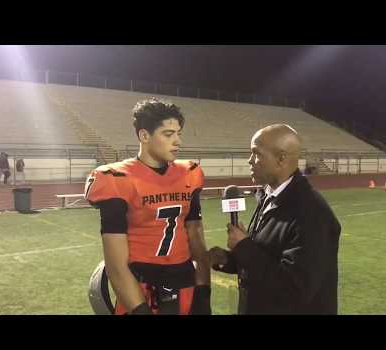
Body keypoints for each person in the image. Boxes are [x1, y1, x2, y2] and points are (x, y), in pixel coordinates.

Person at [85, 98, 211, 315]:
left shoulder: (189, 173)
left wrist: (203, 292)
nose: (177, 141)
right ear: (144, 136)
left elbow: (197, 243)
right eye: (168, 134)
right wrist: (140, 310)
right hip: (141, 289)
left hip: (185, 284)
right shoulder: (117, 179)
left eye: (178, 133)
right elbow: (116, 265)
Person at [209, 124, 341, 314]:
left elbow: (293, 288)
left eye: (256, 154)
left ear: (281, 159)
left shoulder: (312, 213)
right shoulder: (268, 196)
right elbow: (268, 258)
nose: (249, 160)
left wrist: (245, 247)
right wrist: (228, 259)